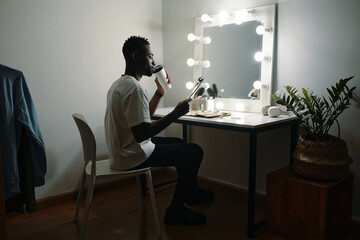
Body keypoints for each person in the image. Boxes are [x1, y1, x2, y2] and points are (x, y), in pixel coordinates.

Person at [104, 36, 214, 226]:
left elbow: (142, 118)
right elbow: (142, 133)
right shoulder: (135, 88)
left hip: (122, 152)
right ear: (135, 55)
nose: (154, 62)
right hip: (133, 155)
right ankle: (176, 209)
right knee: (194, 151)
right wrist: (175, 114)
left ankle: (191, 191)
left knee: (179, 144)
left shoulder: (120, 84)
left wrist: (160, 92)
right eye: (150, 56)